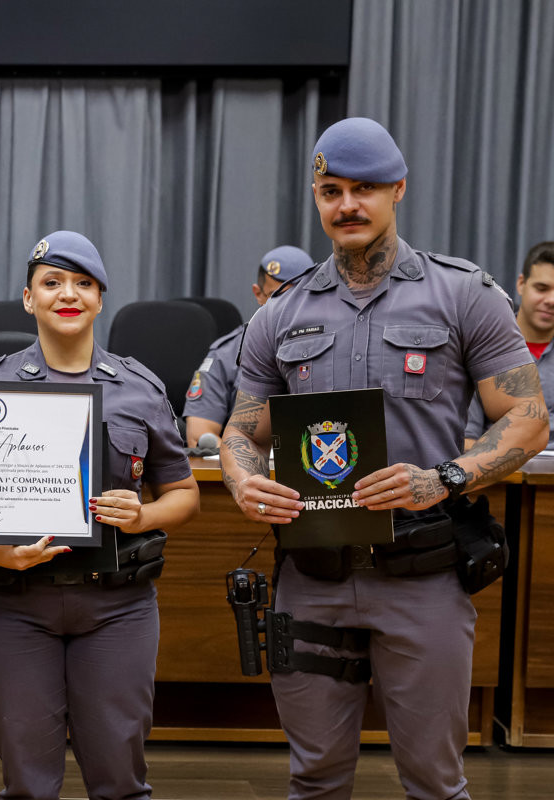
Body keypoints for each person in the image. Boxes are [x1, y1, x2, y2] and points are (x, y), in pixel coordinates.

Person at [220, 117, 548, 799]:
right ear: (316, 198)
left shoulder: (464, 295)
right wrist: (246, 483)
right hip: (311, 576)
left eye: (365, 188)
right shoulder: (279, 315)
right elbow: (242, 433)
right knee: (313, 779)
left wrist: (445, 477)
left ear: (398, 189)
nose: (348, 205)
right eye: (332, 190)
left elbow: (528, 417)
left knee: (434, 779)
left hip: (422, 575)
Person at [0, 231, 200, 800]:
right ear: (28, 298)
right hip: (14, 604)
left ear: (99, 298)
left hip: (118, 606)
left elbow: (184, 492)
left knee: (120, 779)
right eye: (53, 282)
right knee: (26, 782)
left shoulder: (139, 388)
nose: (68, 294)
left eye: (83, 284)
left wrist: (144, 516)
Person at [183, 245, 314, 446]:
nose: (287, 309)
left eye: (297, 298)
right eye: (277, 297)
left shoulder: (340, 346)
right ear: (258, 294)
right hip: (248, 471)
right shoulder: (227, 352)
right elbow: (200, 437)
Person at [464, 240, 554, 449]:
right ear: (521, 284)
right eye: (542, 288)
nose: (551, 300)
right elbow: (465, 441)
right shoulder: (483, 346)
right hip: (498, 478)